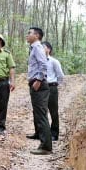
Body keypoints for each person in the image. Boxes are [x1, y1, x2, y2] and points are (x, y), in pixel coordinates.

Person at [25, 27, 52, 155]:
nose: (27, 35)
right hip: (35, 84)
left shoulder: (37, 47)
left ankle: (46, 146)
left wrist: (38, 80)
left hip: (39, 85)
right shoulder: (33, 48)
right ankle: (41, 137)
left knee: (41, 115)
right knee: (38, 113)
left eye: (29, 33)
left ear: (36, 35)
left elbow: (43, 65)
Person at [43, 41, 64, 141]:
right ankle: (42, 133)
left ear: (49, 49)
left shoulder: (54, 61)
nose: (41, 49)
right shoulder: (38, 61)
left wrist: (54, 85)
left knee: (53, 111)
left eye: (44, 47)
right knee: (41, 111)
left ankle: (54, 134)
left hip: (51, 87)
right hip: (41, 88)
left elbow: (60, 75)